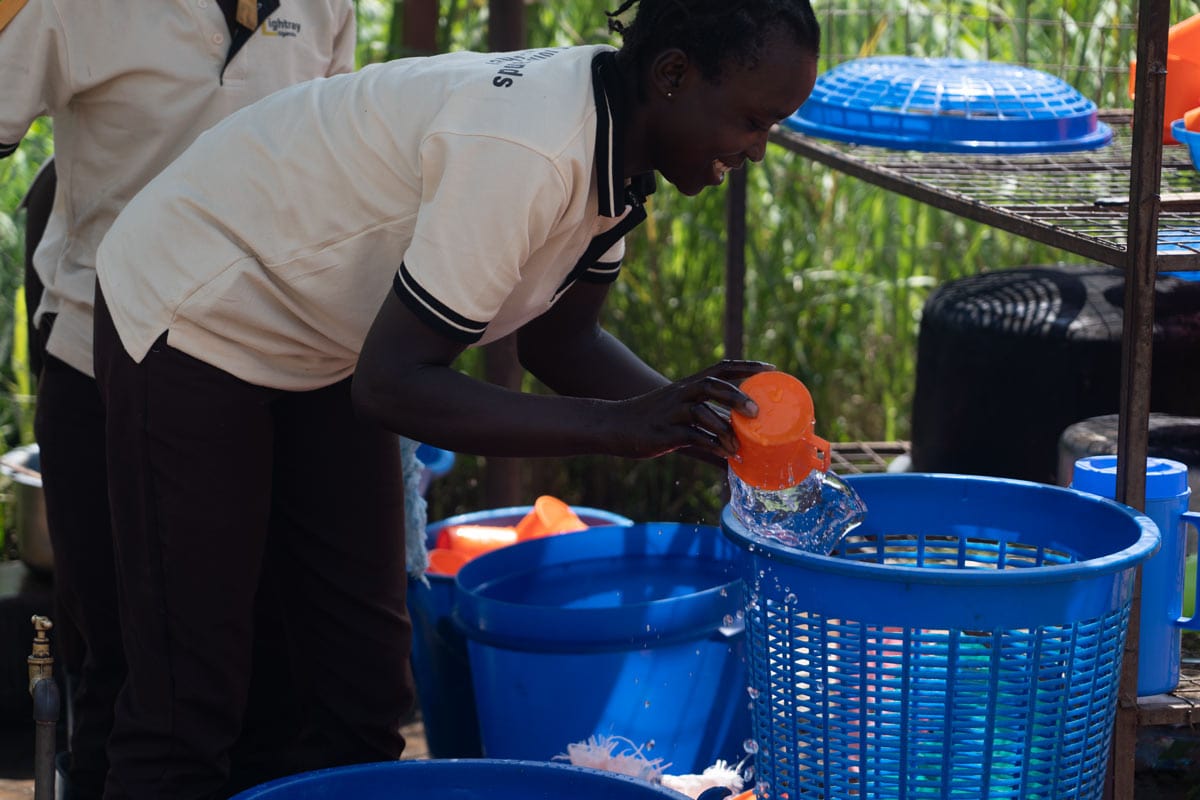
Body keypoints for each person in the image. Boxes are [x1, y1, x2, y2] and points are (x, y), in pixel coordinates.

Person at [92, 0, 820, 797]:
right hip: (200, 309)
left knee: (361, 686)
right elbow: (395, 384)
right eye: (753, 121)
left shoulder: (619, 143)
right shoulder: (530, 146)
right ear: (673, 75)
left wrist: (704, 429)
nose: (757, 149)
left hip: (328, 337)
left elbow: (559, 342)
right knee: (190, 693)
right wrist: (622, 427)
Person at [0, 3, 357, 797]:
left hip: (279, 357)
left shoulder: (324, 4)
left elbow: (342, 149)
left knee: (273, 669)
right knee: (130, 673)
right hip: (106, 354)